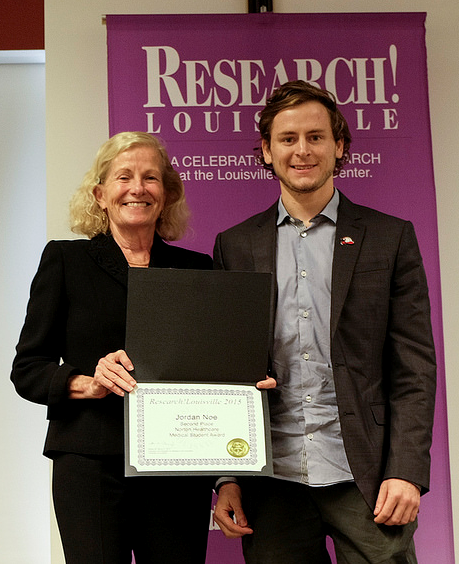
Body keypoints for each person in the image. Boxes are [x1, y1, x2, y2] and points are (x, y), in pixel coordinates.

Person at [212, 81, 436, 563]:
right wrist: (227, 477)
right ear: (267, 151)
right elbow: (225, 369)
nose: (302, 150)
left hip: (369, 476)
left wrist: (407, 470)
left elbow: (414, 367)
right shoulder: (234, 245)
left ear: (339, 146)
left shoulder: (390, 237)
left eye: (315, 137)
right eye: (287, 139)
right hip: (272, 479)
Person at [11, 131, 214, 564]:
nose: (137, 188)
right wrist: (88, 383)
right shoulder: (65, 261)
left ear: (167, 194)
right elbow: (28, 369)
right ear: (100, 195)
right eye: (124, 177)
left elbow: (213, 370)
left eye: (150, 178)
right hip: (90, 465)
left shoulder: (198, 270)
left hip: (178, 465)